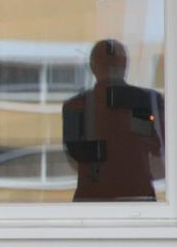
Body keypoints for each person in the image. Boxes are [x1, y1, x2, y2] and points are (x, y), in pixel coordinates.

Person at [61, 39, 165, 201]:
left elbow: (74, 156)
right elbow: (158, 152)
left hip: (92, 197)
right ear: (125, 66)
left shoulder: (77, 106)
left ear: (93, 67)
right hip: (137, 196)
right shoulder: (144, 101)